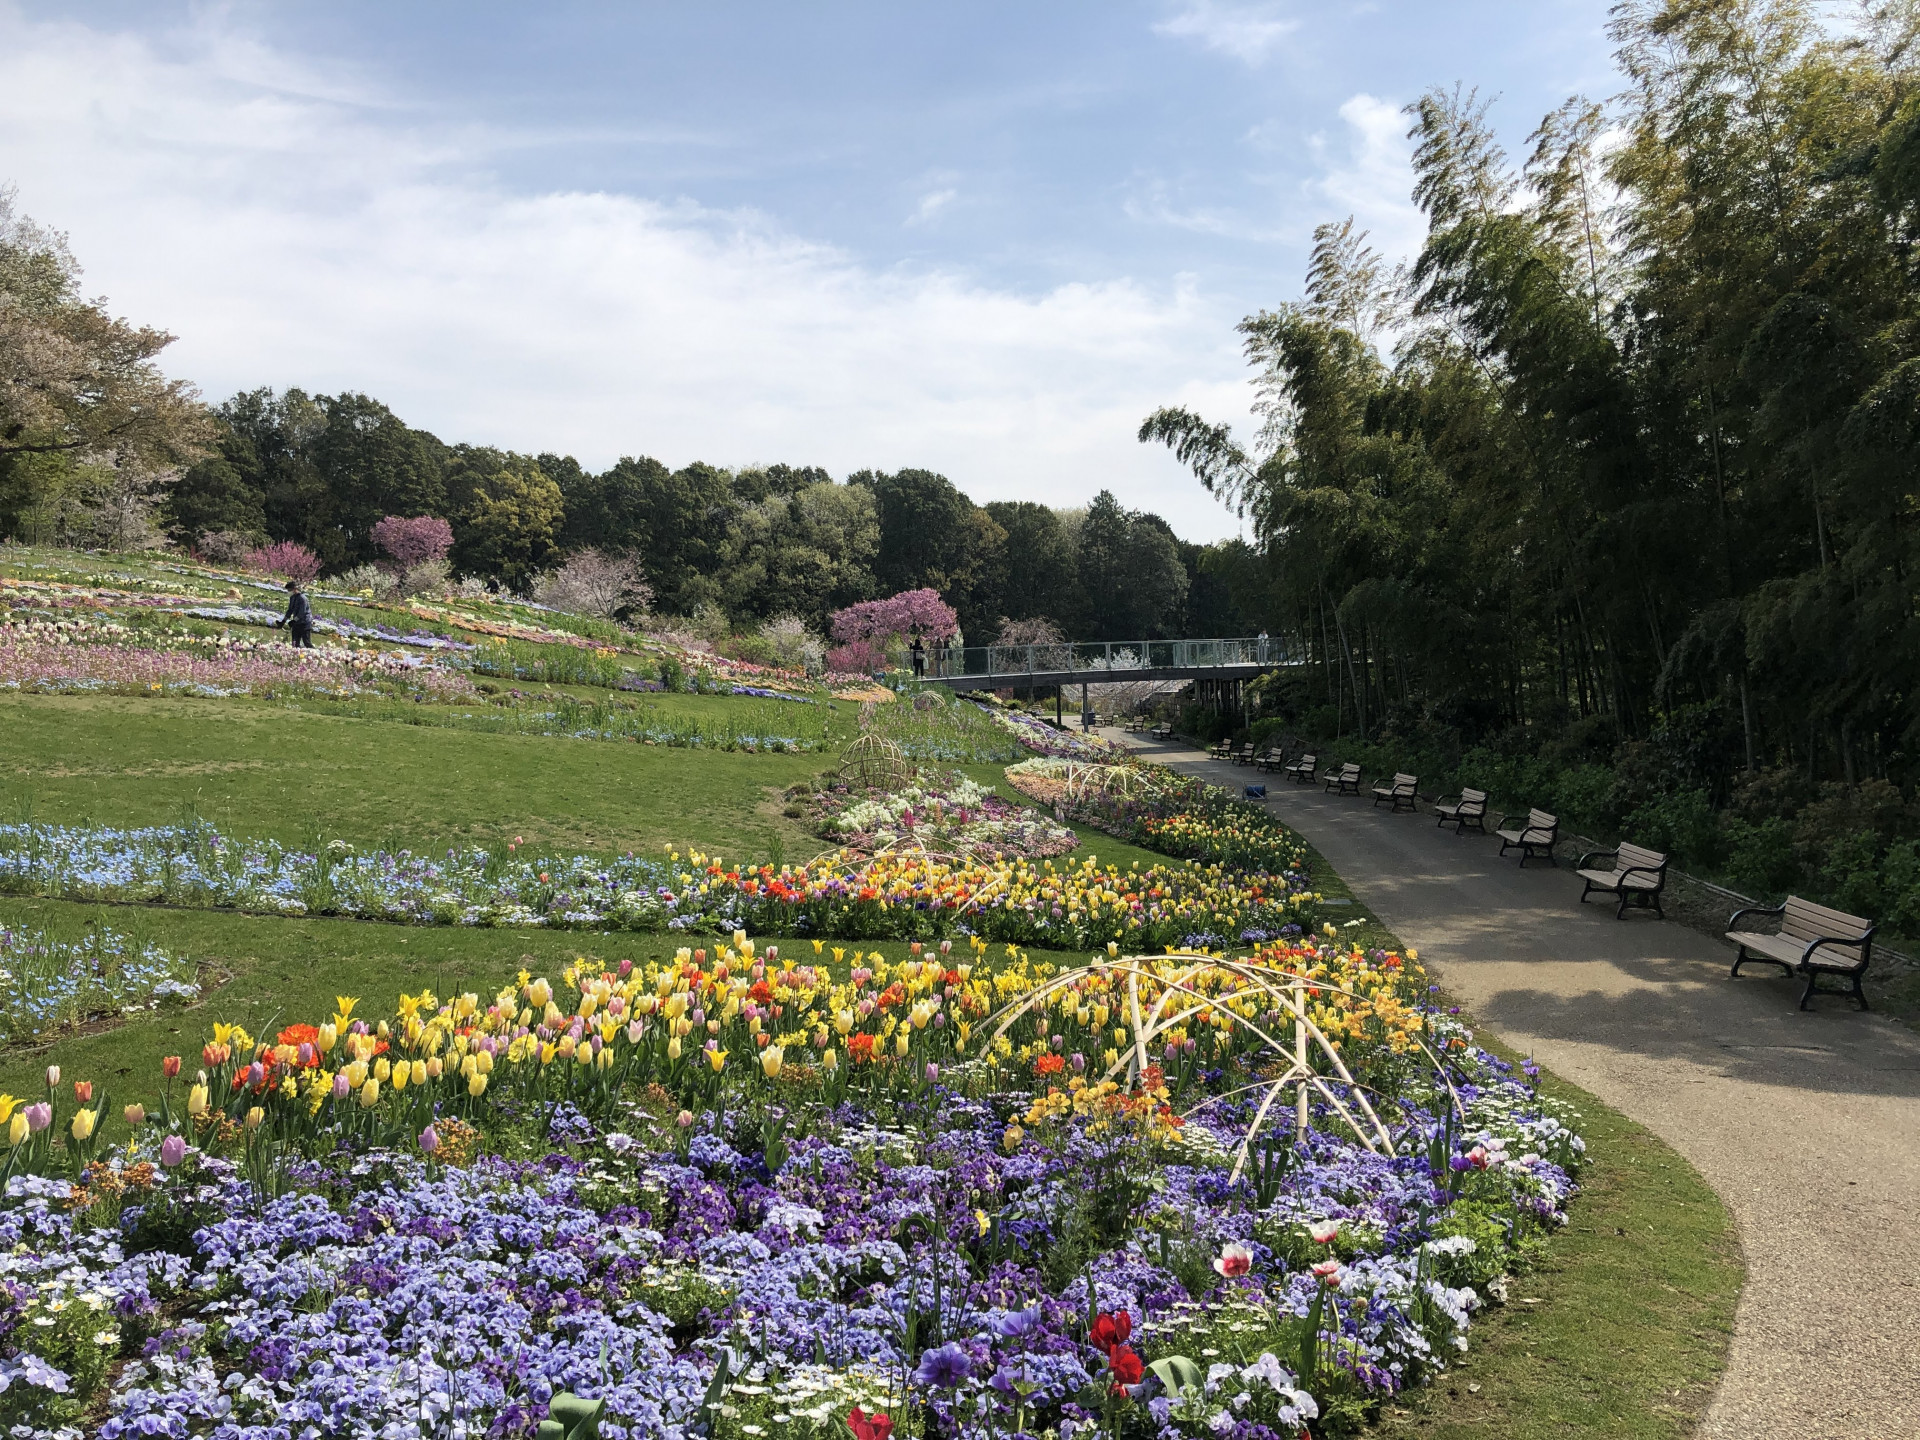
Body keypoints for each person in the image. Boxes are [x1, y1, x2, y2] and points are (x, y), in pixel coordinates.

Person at [280, 579, 314, 648]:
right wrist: (283, 621)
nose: (288, 592)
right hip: (297, 623)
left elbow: (302, 612)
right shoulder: (292, 598)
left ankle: (315, 654)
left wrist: (294, 620)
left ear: (295, 589)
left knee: (306, 642)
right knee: (295, 643)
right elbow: (290, 610)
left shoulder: (302, 598)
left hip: (305, 623)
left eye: (290, 590)